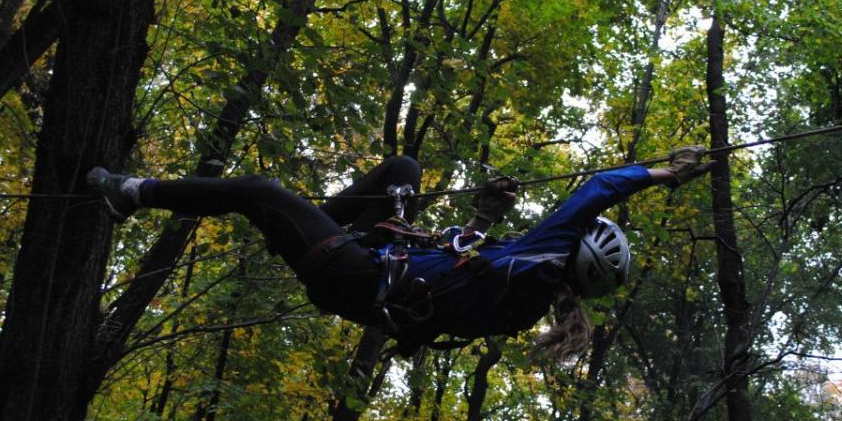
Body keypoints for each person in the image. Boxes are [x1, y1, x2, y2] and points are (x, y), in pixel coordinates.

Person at [87, 147, 712, 356]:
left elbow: (600, 187)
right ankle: (300, 224)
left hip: (355, 270)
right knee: (403, 168)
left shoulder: (545, 258)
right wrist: (486, 213)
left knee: (259, 191)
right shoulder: (525, 292)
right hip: (362, 270)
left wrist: (667, 175)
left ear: (581, 252)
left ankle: (131, 194)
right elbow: (459, 262)